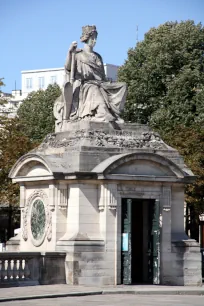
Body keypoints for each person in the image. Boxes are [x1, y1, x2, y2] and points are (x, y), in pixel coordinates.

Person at [64, 25, 127, 122]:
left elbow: (102, 76)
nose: (95, 41)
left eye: (95, 38)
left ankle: (115, 114)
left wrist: (107, 84)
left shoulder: (98, 56)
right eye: (93, 38)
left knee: (123, 86)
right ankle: (103, 114)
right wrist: (69, 52)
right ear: (86, 38)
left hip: (101, 83)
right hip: (86, 84)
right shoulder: (78, 54)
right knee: (94, 89)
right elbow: (68, 67)